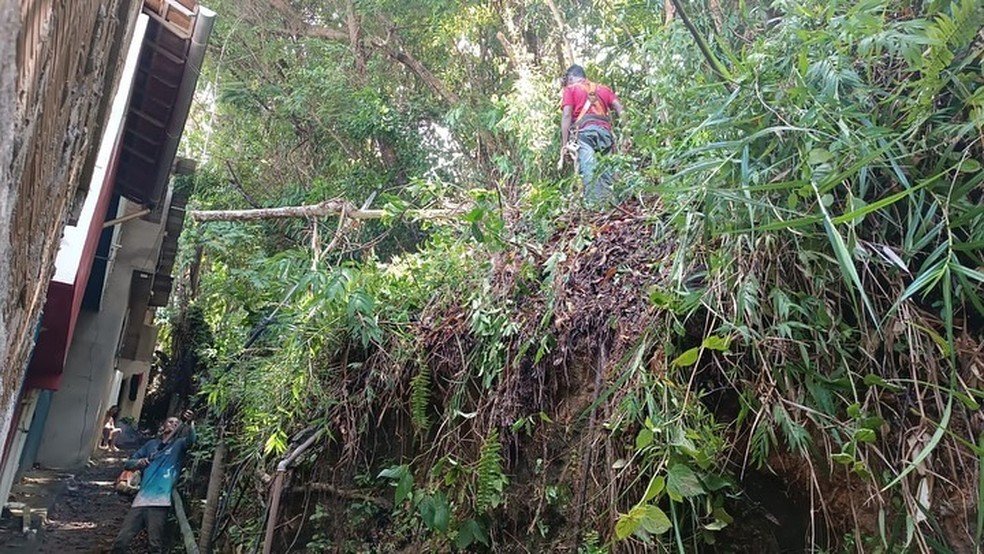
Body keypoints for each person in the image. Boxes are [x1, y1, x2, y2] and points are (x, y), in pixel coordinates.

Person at [111, 410, 195, 553]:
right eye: (170, 422)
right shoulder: (151, 445)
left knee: (154, 545)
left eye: (176, 423)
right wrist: (140, 462)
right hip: (140, 500)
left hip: (160, 501)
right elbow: (128, 464)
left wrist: (191, 422)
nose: (173, 424)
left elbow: (191, 441)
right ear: (163, 426)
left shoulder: (178, 445)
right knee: (121, 541)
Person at [558, 64, 626, 206]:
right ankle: (611, 205)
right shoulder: (604, 89)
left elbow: (566, 115)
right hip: (605, 134)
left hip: (583, 134)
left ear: (571, 78)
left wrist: (564, 145)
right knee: (606, 170)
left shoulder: (570, 89)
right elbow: (620, 108)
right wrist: (627, 132)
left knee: (589, 170)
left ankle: (595, 207)